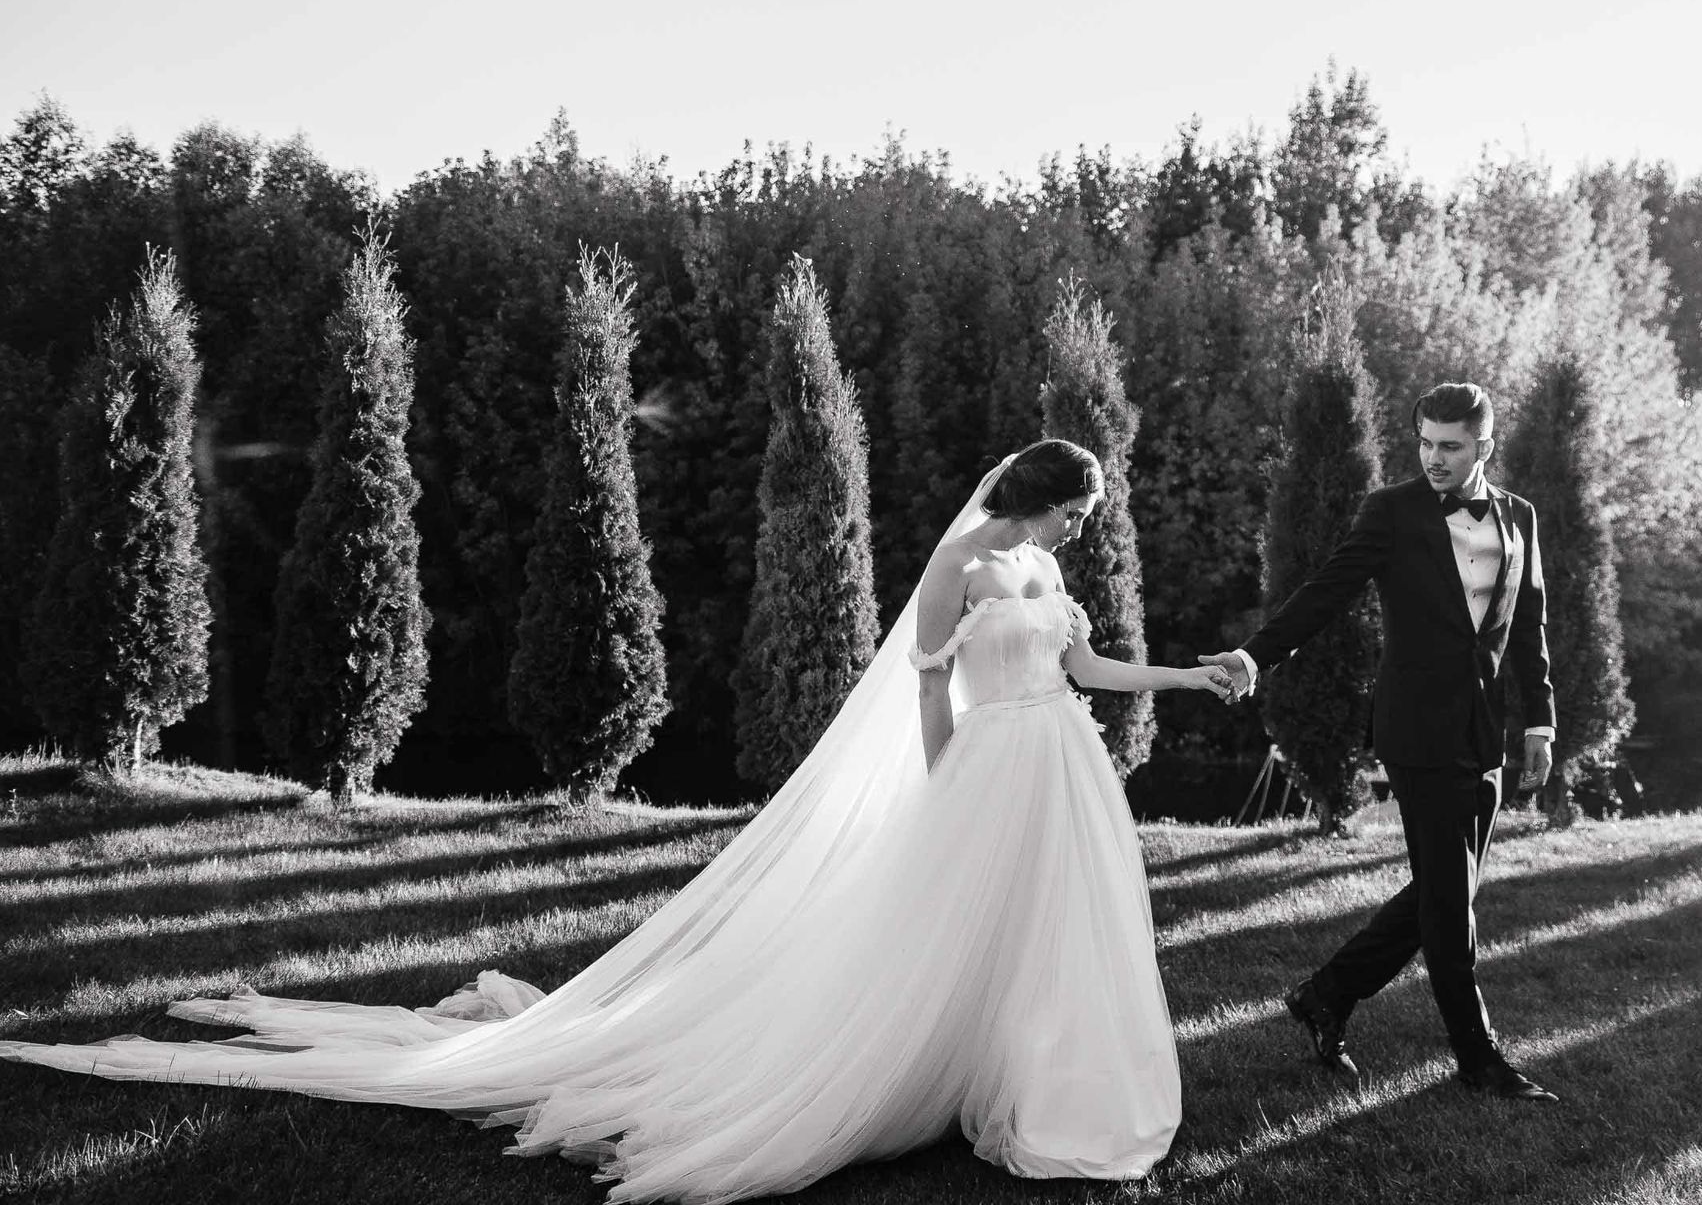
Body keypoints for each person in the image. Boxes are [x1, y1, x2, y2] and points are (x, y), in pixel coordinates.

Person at [0, 438, 1233, 1203]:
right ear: (1042, 494)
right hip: (983, 770)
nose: (1083, 527)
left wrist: (1185, 675)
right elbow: (923, 685)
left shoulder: (1048, 574)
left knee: (1058, 934)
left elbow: (1085, 667)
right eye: (1080, 508)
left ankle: (1053, 1088)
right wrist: (942, 781)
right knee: (966, 934)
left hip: (1059, 764)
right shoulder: (958, 567)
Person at [1203, 382, 1561, 1103]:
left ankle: (1327, 993)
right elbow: (1326, 590)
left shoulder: (1519, 515)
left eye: (1450, 446)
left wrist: (1540, 721)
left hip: (1484, 730)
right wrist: (1252, 657)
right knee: (1449, 905)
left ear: (1484, 446)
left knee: (1442, 890)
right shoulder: (1392, 511)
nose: (1434, 458)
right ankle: (1479, 1058)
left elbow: (1528, 625)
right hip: (1416, 729)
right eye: (1425, 443)